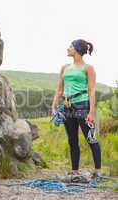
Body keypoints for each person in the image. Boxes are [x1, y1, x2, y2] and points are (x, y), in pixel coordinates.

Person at [51, 39, 101, 178]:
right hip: (67, 107)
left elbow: (91, 90)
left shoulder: (88, 68)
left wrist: (91, 112)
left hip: (82, 105)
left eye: (70, 46)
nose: (68, 48)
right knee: (72, 140)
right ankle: (74, 171)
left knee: (90, 138)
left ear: (77, 50)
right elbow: (59, 89)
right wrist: (54, 105)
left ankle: (97, 171)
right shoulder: (64, 68)